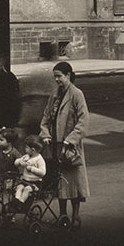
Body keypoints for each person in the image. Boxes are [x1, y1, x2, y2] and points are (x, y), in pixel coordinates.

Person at [39, 60, 90, 229]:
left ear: (68, 76)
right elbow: (46, 118)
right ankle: (62, 215)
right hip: (56, 145)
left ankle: (75, 215)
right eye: (55, 77)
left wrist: (71, 140)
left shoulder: (77, 94)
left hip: (70, 147)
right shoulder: (54, 95)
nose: (57, 80)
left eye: (59, 76)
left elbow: (83, 121)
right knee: (60, 182)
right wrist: (45, 135)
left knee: (73, 182)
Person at [13, 134, 47, 207]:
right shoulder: (26, 156)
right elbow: (16, 163)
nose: (25, 149)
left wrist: (32, 169)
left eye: (26, 148)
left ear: (33, 150)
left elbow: (43, 173)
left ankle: (21, 203)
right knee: (19, 187)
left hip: (35, 183)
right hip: (25, 180)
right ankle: (16, 201)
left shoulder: (39, 159)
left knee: (27, 189)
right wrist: (19, 161)